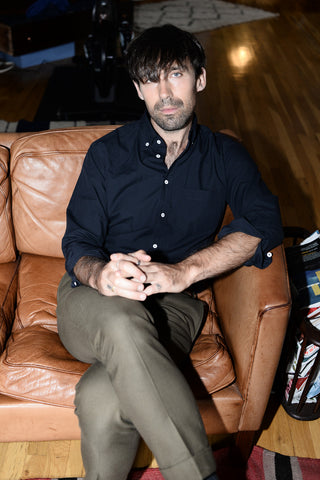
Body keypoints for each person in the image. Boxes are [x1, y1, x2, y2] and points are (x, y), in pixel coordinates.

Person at [57, 24, 283, 480]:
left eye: (176, 74)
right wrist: (102, 275)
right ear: (139, 89)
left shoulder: (225, 156)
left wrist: (182, 273)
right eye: (152, 80)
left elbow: (264, 223)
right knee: (121, 318)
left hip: (174, 308)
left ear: (199, 79)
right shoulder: (106, 155)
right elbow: (77, 242)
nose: (166, 92)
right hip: (91, 302)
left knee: (101, 398)